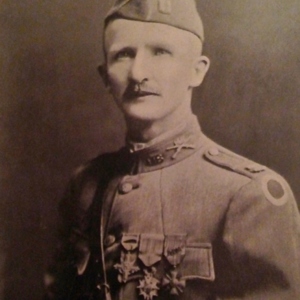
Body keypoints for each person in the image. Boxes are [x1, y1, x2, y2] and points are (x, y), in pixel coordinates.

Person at [45, 0, 300, 299]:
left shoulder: (247, 195)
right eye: (124, 55)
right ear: (105, 77)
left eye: (161, 52)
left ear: (197, 71)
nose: (138, 73)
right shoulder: (84, 187)